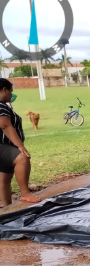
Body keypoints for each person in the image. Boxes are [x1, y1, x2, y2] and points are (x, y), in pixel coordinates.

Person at [0, 78, 41, 208]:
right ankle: (25, 193)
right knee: (22, 158)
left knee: (5, 177)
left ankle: (7, 208)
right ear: (4, 90)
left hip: (5, 145)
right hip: (2, 144)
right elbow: (5, 125)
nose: (12, 95)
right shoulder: (0, 105)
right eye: (10, 91)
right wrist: (20, 146)